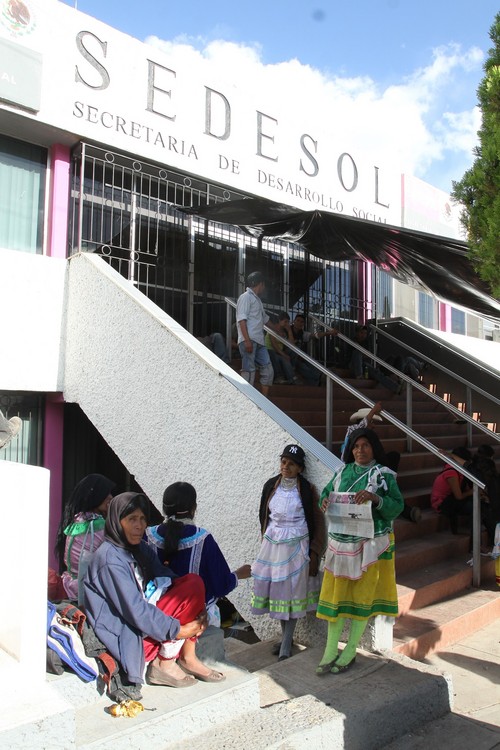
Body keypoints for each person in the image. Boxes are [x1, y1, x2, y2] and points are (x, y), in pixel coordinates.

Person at [83, 492, 217, 691]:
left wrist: (198, 609)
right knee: (190, 589)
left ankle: (188, 657)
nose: (140, 526)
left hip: (145, 624)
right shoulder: (109, 559)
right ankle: (164, 663)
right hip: (129, 636)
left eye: (142, 519)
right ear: (116, 522)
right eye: (132, 519)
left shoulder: (139, 549)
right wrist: (179, 630)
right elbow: (136, 610)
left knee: (193, 582)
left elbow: (169, 578)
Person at [316, 428, 404, 675]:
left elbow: (397, 505)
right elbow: (326, 493)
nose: (360, 450)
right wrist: (324, 501)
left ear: (374, 447)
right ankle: (330, 650)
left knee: (363, 597)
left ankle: (351, 649)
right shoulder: (342, 472)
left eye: (365, 445)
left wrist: (376, 499)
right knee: (336, 597)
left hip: (370, 546)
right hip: (341, 545)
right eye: (355, 446)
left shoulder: (384, 475)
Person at [251, 444, 326, 661]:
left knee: (292, 592)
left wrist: (315, 552)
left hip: (297, 547)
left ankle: (286, 642)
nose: (286, 467)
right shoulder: (271, 485)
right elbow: (263, 514)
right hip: (274, 547)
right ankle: (286, 638)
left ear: (300, 468)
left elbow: (317, 521)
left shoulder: (307, 489)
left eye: (292, 464)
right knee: (279, 592)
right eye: (283, 462)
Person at [145, 481, 251, 627]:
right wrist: (238, 574)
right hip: (195, 617)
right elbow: (220, 585)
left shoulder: (148, 535)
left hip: (155, 616)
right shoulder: (202, 539)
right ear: (194, 508)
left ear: (164, 508)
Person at [54, 473, 116, 602]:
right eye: (106, 493)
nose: (111, 497)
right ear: (96, 495)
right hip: (89, 590)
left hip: (69, 585)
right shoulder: (99, 526)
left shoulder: (76, 520)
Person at [236, 271, 274, 396]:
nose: (264, 288)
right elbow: (241, 320)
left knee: (268, 371)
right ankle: (247, 399)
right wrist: (246, 340)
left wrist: (278, 330)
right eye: (264, 285)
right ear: (261, 284)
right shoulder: (245, 297)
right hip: (249, 340)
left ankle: (264, 400)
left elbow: (265, 319)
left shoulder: (257, 300)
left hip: (259, 341)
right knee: (249, 371)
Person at [346, 325, 401, 394]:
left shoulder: (366, 343)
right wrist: (361, 353)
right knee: (357, 353)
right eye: (361, 333)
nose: (363, 335)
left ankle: (396, 387)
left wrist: (363, 354)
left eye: (365, 333)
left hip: (364, 365)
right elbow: (354, 356)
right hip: (353, 365)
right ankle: (359, 376)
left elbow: (368, 355)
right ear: (357, 333)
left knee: (376, 372)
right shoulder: (351, 341)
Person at [430, 447, 473, 534]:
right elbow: (459, 496)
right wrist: (473, 492)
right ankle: (474, 533)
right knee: (474, 506)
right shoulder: (451, 472)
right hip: (442, 504)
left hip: (451, 500)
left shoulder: (458, 470)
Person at [289, 314, 335, 386]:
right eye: (298, 320)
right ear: (294, 321)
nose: (299, 323)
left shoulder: (302, 333)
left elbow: (315, 335)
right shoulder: (287, 331)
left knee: (310, 362)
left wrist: (328, 333)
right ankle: (320, 377)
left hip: (298, 357)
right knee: (302, 366)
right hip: (288, 357)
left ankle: (317, 382)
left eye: (302, 322)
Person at [265, 312, 297, 384]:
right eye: (285, 321)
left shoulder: (285, 331)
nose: (287, 324)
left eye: (288, 322)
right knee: (283, 358)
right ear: (280, 320)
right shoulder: (274, 328)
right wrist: (284, 355)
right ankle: (283, 377)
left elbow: (292, 345)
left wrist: (289, 331)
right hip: (271, 350)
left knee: (292, 352)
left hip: (280, 352)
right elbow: (274, 345)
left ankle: (292, 372)